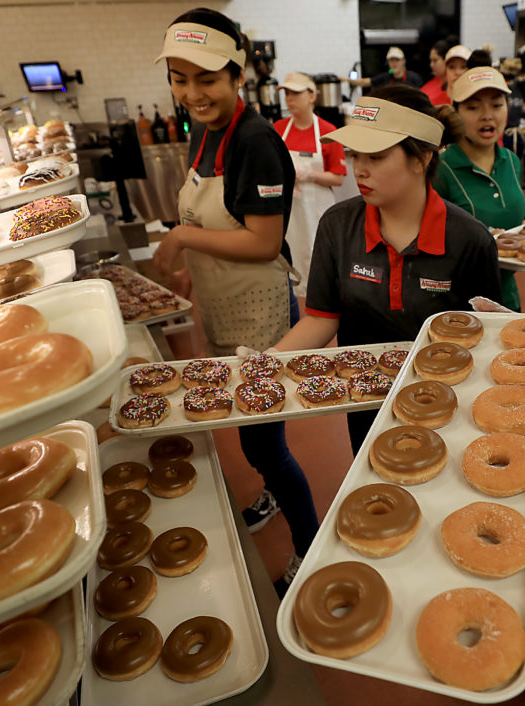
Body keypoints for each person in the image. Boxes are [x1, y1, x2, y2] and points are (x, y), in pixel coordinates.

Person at [151, 7, 318, 596]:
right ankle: (275, 496)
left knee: (263, 440)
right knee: (251, 430)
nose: (192, 93)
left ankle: (309, 546)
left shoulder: (255, 142)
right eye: (179, 78)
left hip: (262, 310)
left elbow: (263, 240)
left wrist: (182, 239)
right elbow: (208, 212)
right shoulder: (207, 132)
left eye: (206, 78)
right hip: (223, 305)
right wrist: (192, 277)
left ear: (237, 75)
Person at [272, 85, 502, 454]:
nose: (359, 169)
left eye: (376, 156)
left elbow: (485, 340)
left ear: (422, 157)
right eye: (354, 154)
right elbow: (321, 318)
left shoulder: (469, 240)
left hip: (445, 405)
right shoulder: (338, 226)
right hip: (366, 403)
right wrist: (269, 362)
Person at [434, 67, 525, 311]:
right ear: (457, 112)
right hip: (459, 305)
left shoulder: (511, 160)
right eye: (473, 108)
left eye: (496, 105)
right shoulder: (441, 169)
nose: (487, 115)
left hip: (507, 298)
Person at [274, 72, 347, 298]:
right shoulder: (278, 128)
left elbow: (338, 178)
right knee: (291, 257)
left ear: (312, 96)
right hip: (289, 211)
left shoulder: (328, 131)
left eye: (296, 93)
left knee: (318, 258)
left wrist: (310, 174)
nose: (290, 99)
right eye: (287, 94)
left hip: (317, 211)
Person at [345, 47, 423, 91]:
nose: (394, 63)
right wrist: (344, 79)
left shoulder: (414, 78)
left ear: (404, 62)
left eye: (397, 60)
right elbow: (364, 82)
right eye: (391, 60)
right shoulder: (385, 77)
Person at [419, 39, 453, 105]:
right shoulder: (425, 91)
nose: (431, 65)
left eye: (435, 60)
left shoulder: (462, 86)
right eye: (431, 61)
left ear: (447, 61)